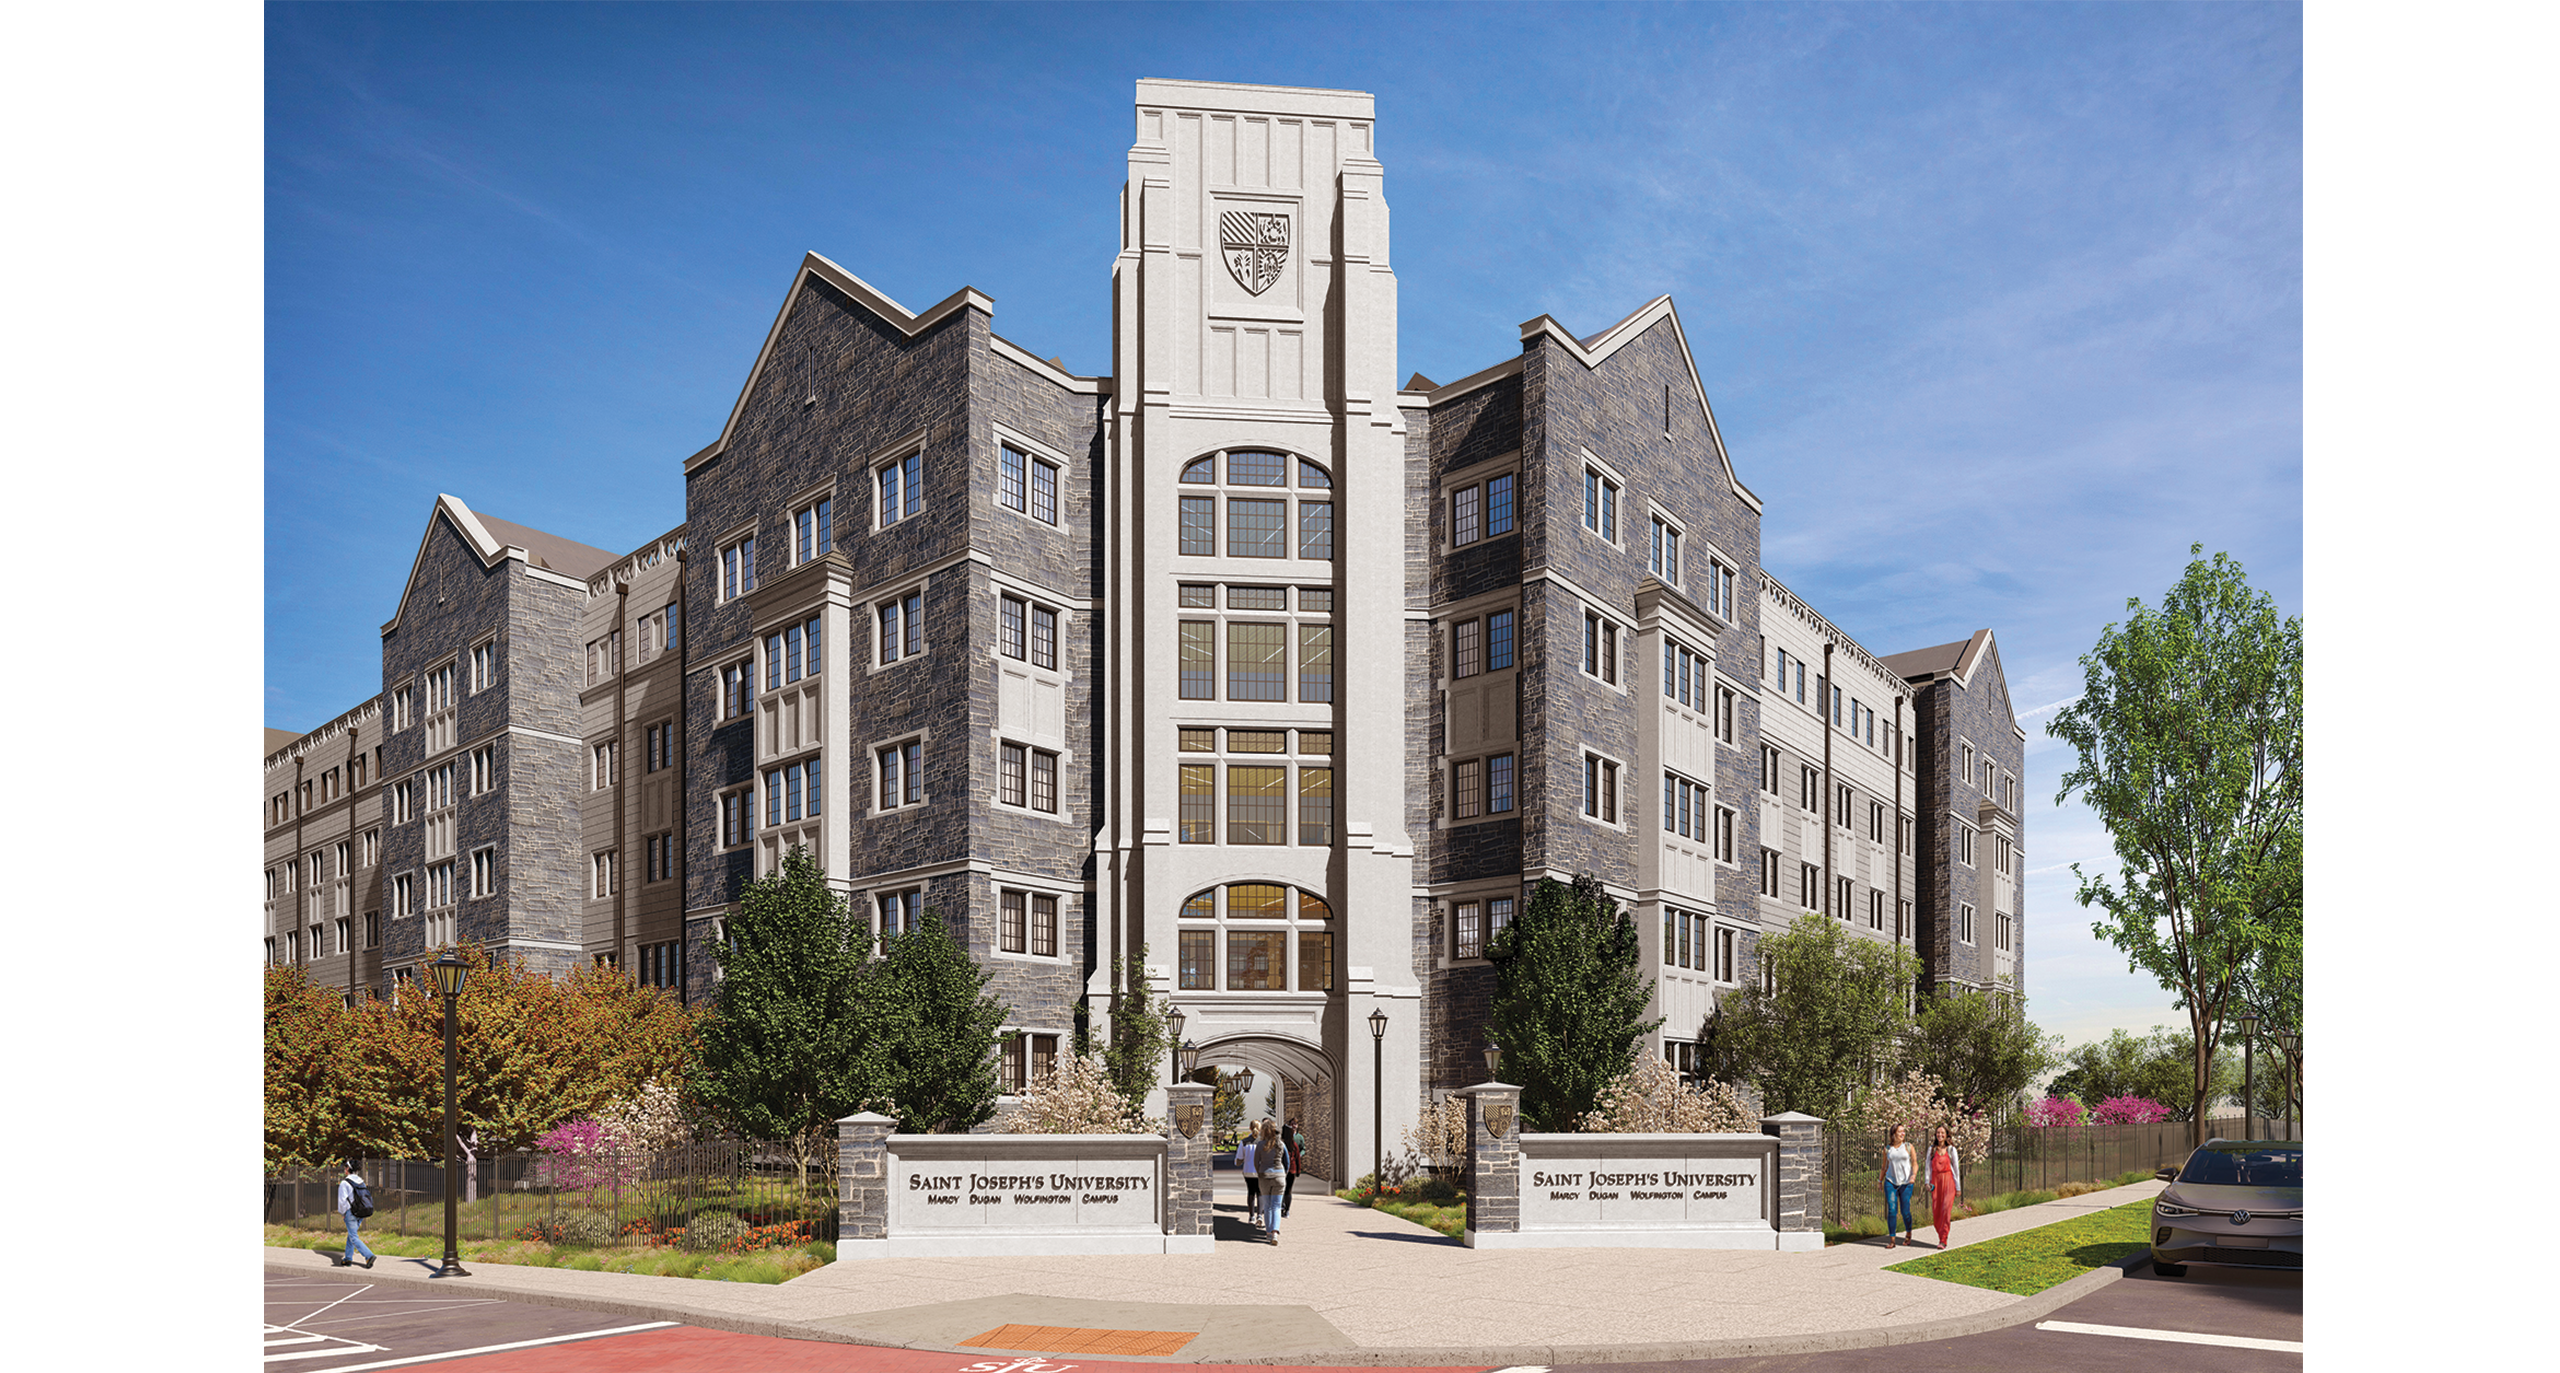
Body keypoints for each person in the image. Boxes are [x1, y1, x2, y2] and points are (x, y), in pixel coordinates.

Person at [1879, 1124, 1916, 1249]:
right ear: (1893, 1134)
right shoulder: (1887, 1149)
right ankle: (1892, 1240)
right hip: (1890, 1182)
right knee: (1892, 1210)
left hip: (1906, 1183)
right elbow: (1884, 1167)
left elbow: (1915, 1163)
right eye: (1900, 1131)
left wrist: (1913, 1176)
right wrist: (1880, 1180)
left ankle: (1908, 1234)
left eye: (1903, 1131)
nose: (1903, 1134)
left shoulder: (1908, 1147)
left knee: (1905, 1211)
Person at [1928, 1123, 1963, 1249]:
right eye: (1938, 1133)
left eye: (1942, 1133)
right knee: (1936, 1211)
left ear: (1947, 1134)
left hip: (1948, 1181)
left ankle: (1944, 1239)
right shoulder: (1931, 1149)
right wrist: (1927, 1182)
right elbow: (1927, 1167)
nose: (1940, 1135)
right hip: (1935, 1182)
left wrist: (1958, 1187)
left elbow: (1956, 1169)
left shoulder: (1951, 1149)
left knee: (1946, 1209)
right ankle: (1940, 1233)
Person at [336, 1161, 377, 1269]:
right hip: (361, 1211)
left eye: (345, 1167)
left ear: (348, 1169)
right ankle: (348, 1258)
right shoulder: (360, 1181)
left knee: (353, 1236)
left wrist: (343, 1213)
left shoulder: (345, 1183)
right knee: (351, 1234)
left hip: (351, 1212)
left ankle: (369, 1256)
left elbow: (342, 1201)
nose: (344, 1169)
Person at [1256, 1119, 1288, 1244]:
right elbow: (1287, 1161)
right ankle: (1275, 1232)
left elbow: (1256, 1161)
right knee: (1277, 1206)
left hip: (1264, 1175)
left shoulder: (1260, 1145)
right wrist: (1284, 1173)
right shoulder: (1280, 1144)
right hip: (1279, 1176)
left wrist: (1260, 1172)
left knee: (1267, 1205)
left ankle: (1268, 1232)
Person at [1235, 1128, 1261, 1232]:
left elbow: (1239, 1158)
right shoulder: (1262, 1142)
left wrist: (1237, 1162)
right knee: (1260, 1193)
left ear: (1250, 1128)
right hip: (1260, 1171)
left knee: (1251, 1192)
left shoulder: (1244, 1142)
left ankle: (1252, 1216)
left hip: (1248, 1171)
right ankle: (1260, 1215)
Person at [1280, 1117, 1307, 1218]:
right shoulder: (1291, 1144)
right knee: (1287, 1189)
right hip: (1290, 1169)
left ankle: (1284, 1207)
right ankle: (1285, 1208)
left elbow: (1302, 1150)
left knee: (1284, 1189)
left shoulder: (1298, 1138)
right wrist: (1298, 1170)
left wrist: (1299, 1156)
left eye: (1295, 1124)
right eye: (1292, 1124)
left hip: (1286, 1169)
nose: (1293, 1126)